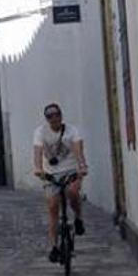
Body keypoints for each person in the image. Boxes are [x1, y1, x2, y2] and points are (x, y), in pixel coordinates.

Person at [32, 102, 89, 263]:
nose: (54, 118)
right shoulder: (40, 132)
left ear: (61, 116)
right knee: (52, 208)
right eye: (50, 116)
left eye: (56, 115)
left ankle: (78, 218)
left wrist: (82, 166)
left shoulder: (72, 131)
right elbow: (37, 152)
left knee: (72, 192)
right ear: (46, 119)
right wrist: (38, 168)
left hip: (71, 170)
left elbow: (78, 149)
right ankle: (54, 247)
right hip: (51, 174)